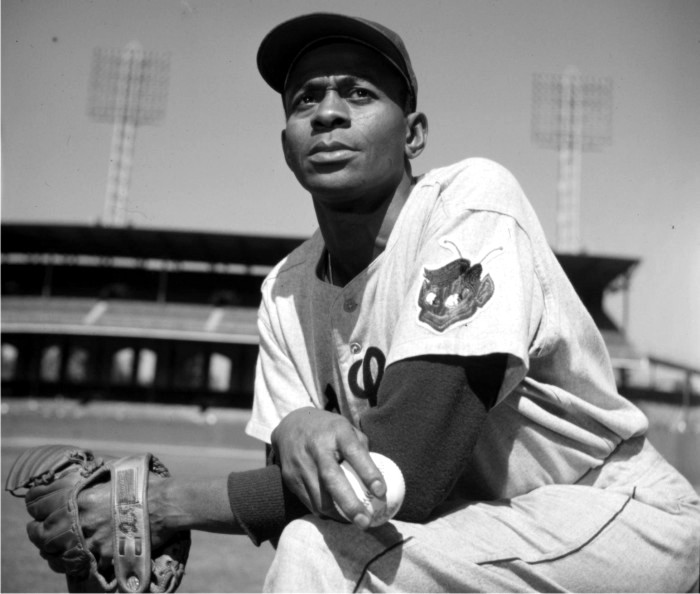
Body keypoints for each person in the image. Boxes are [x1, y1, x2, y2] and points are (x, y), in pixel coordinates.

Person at [27, 12, 700, 593]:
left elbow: (400, 472)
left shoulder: (471, 203)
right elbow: (306, 486)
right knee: (331, 540)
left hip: (610, 514)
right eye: (304, 99)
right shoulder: (285, 291)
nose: (326, 112)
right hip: (467, 539)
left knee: (322, 556)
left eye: (358, 92)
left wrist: (165, 504)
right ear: (286, 144)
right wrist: (293, 432)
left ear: (413, 133)